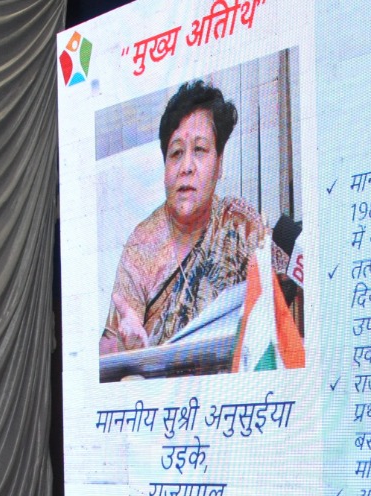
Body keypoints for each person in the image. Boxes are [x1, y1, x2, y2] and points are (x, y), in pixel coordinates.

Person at [99, 80, 269, 355]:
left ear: (220, 163)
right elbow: (107, 354)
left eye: (200, 150)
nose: (186, 167)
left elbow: (287, 308)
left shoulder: (241, 225)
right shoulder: (142, 245)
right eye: (176, 153)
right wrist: (130, 350)